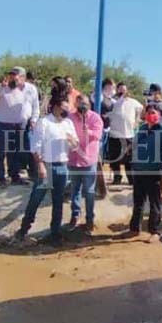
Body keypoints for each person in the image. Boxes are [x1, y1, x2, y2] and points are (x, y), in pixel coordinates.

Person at [16, 98, 79, 245]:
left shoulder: (68, 123)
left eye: (68, 108)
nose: (66, 111)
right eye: (64, 108)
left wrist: (72, 141)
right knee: (36, 199)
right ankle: (23, 230)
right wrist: (40, 165)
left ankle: (55, 233)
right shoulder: (44, 122)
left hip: (62, 166)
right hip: (47, 165)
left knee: (58, 201)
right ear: (56, 107)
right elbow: (35, 146)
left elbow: (75, 146)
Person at [128, 104, 162, 243]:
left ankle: (155, 231)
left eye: (153, 112)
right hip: (139, 171)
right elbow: (135, 146)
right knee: (138, 202)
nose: (150, 115)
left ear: (160, 115)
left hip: (155, 173)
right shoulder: (142, 129)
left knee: (155, 204)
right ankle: (134, 229)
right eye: (148, 112)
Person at [68, 94, 103, 232]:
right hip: (73, 158)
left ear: (89, 104)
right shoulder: (70, 118)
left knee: (89, 191)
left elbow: (98, 135)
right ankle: (75, 215)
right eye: (79, 102)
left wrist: (89, 131)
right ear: (75, 104)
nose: (82, 105)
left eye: (85, 103)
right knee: (74, 190)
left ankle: (90, 219)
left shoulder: (95, 117)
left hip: (89, 160)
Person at [0, 68, 30, 186]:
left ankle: (14, 176)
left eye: (15, 76)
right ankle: (1, 178)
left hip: (16, 127)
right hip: (2, 126)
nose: (13, 78)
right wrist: (1, 85)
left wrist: (23, 124)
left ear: (19, 78)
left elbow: (25, 110)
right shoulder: (2, 89)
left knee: (14, 153)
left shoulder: (22, 93)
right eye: (11, 76)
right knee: (1, 153)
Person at [108, 82, 144, 185]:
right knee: (115, 159)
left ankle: (131, 179)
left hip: (128, 134)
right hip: (114, 134)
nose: (123, 91)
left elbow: (141, 108)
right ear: (117, 90)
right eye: (120, 89)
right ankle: (117, 178)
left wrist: (137, 119)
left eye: (124, 89)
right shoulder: (113, 101)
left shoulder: (133, 102)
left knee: (129, 159)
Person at [18, 67, 41, 180]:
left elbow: (36, 106)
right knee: (16, 148)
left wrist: (34, 120)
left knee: (30, 147)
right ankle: (19, 170)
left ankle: (33, 172)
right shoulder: (13, 88)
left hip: (28, 123)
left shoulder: (32, 89)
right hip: (15, 123)